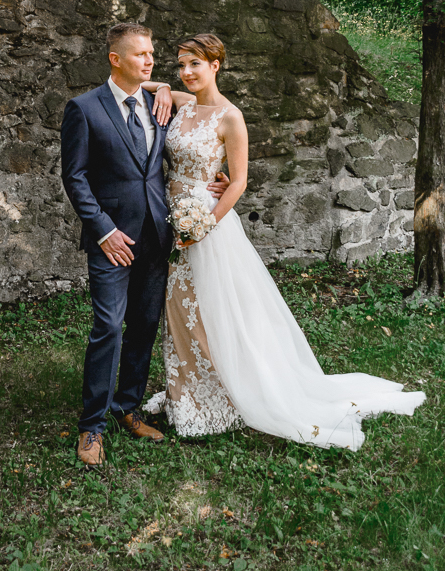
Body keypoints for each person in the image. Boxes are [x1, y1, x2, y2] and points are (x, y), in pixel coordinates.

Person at [143, 33, 427, 451]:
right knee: (179, 309)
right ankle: (185, 393)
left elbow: (238, 182)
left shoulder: (229, 117)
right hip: (169, 214)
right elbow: (144, 87)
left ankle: (225, 396)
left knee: (215, 311)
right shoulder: (181, 103)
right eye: (181, 65)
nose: (185, 72)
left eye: (194, 65)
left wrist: (203, 224)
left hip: (204, 222)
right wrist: (164, 87)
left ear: (215, 65)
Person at [60, 23, 176, 467]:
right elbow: (75, 176)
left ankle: (127, 407)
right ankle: (92, 426)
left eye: (152, 54)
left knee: (145, 325)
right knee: (109, 326)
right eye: (141, 55)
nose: (149, 61)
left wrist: (213, 183)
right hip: (112, 240)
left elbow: (180, 151)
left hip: (156, 235)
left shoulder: (157, 103)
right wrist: (104, 230)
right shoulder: (84, 108)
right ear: (116, 59)